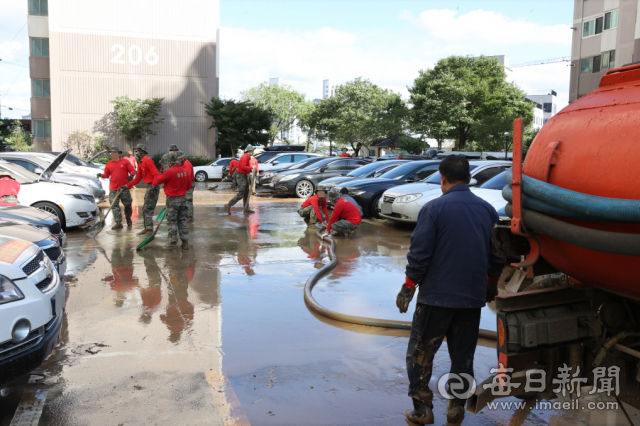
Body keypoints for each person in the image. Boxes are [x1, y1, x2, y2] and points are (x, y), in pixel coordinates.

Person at [396, 155, 505, 425]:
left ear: (442, 178)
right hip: (471, 299)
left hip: (436, 299)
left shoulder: (434, 209)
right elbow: (497, 256)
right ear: (469, 178)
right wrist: (490, 286)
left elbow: (420, 255)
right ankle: (455, 408)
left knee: (421, 353)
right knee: (463, 357)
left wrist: (408, 287)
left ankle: (422, 410)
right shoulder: (487, 210)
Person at [152, 152, 191, 250]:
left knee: (172, 221)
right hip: (183, 199)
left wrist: (159, 173)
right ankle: (185, 242)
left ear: (169, 162)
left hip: (172, 199)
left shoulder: (170, 172)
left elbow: (157, 181)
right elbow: (189, 186)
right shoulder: (185, 171)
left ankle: (173, 244)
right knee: (182, 220)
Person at [98, 146, 135, 230]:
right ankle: (118, 222)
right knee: (114, 206)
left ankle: (128, 218)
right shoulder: (109, 163)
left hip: (124, 188)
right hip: (113, 188)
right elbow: (106, 175)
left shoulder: (125, 162)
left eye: (114, 153)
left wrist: (132, 175)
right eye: (112, 153)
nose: (113, 154)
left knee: (128, 204)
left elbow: (132, 170)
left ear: (118, 153)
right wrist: (101, 175)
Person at [127, 144, 159, 235]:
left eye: (138, 150)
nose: (136, 152)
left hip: (153, 186)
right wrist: (127, 185)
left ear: (143, 152)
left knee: (148, 209)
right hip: (149, 186)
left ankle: (149, 229)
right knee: (145, 208)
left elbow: (156, 174)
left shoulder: (148, 161)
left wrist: (153, 187)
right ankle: (147, 228)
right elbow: (138, 178)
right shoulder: (140, 162)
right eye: (135, 150)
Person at [223, 145, 256, 214]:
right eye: (252, 151)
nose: (253, 152)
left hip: (244, 175)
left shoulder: (247, 157)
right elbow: (243, 167)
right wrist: (251, 168)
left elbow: (244, 167)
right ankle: (228, 205)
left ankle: (246, 208)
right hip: (241, 176)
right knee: (241, 193)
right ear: (249, 151)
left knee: (246, 192)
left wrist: (250, 169)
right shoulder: (245, 157)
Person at [177, 151, 195, 222]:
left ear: (183, 157)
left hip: (189, 183)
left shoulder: (187, 164)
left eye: (180, 159)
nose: (178, 160)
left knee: (188, 200)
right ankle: (186, 215)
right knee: (184, 200)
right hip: (186, 183)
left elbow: (188, 177)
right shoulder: (183, 164)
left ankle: (190, 217)